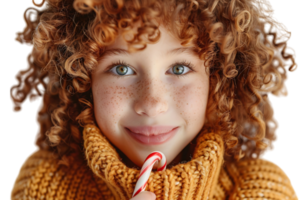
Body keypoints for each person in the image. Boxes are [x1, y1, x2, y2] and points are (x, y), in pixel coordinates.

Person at [8, 0, 299, 199]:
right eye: (121, 69)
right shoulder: (42, 184)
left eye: (179, 68)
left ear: (220, 79)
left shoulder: (263, 189)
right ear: (82, 81)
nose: (152, 103)